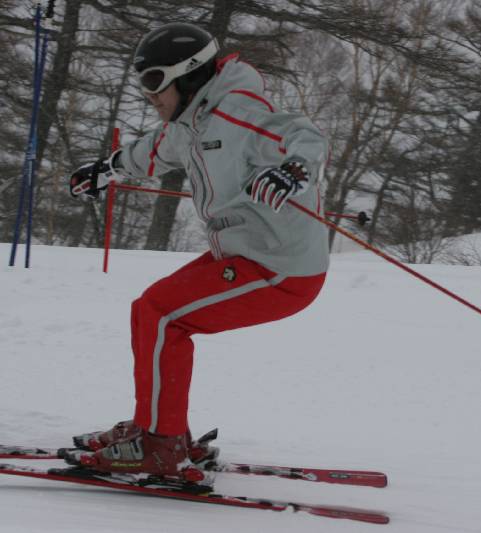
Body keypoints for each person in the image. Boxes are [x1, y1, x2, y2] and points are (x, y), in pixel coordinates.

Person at [67, 22, 329, 481]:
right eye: (143, 82)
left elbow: (304, 137)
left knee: (161, 314)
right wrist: (107, 168)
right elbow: (154, 151)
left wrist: (291, 171)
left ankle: (160, 444)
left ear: (188, 75)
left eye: (155, 81)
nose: (150, 94)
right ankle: (159, 428)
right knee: (149, 311)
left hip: (280, 267)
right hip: (246, 255)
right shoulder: (190, 123)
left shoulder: (238, 112)